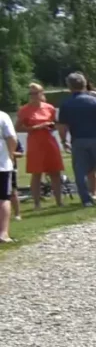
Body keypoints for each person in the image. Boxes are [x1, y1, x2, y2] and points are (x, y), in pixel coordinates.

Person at [58, 72, 96, 206]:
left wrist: (63, 140)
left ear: (69, 87)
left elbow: (62, 126)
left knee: (80, 171)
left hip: (78, 139)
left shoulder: (66, 104)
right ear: (84, 84)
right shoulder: (95, 101)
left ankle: (86, 199)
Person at [17, 82, 64, 207]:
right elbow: (18, 128)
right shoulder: (24, 110)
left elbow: (55, 123)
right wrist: (36, 127)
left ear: (41, 93)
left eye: (35, 93)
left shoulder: (49, 108)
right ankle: (37, 203)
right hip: (35, 143)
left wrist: (53, 126)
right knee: (36, 173)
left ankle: (59, 201)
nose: (33, 96)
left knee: (55, 172)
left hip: (49, 141)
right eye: (31, 93)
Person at [0, 103, 17, 243]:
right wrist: (11, 154)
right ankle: (3, 233)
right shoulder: (2, 116)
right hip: (2, 164)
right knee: (3, 198)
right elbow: (11, 138)